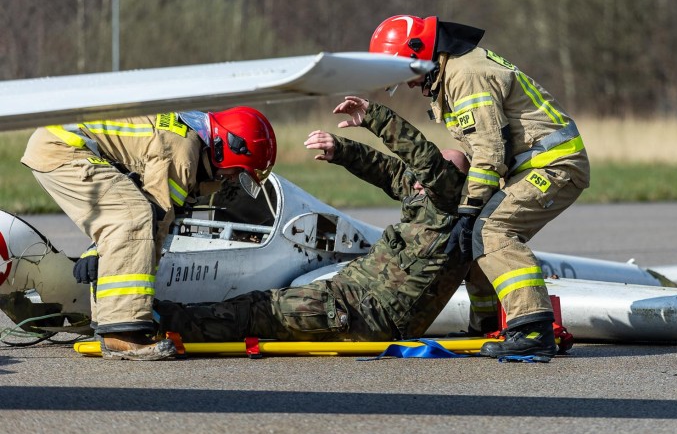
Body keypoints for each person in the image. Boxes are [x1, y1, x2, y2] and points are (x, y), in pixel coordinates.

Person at [153, 96, 471, 345]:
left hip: (362, 312)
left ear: (446, 181)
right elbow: (389, 171)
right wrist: (340, 149)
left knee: (256, 311)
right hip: (352, 295)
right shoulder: (428, 197)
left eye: (426, 176)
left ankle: (159, 322)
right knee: (256, 306)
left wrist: (376, 116)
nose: (415, 180)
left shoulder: (445, 202)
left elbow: (425, 161)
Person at [369, 15, 590, 362]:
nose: (408, 84)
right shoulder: (453, 72)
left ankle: (533, 330)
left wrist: (470, 209)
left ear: (420, 52)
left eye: (405, 72)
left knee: (492, 231)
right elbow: (482, 149)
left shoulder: (465, 74)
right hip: (527, 165)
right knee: (469, 234)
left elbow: (490, 152)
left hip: (555, 165)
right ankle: (487, 324)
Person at [21, 107, 277, 360]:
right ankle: (121, 333)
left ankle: (110, 324)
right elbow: (155, 221)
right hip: (62, 147)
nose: (233, 180)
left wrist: (101, 250)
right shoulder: (182, 152)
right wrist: (139, 305)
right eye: (238, 172)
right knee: (134, 215)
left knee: (132, 216)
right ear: (227, 147)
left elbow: (131, 211)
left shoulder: (189, 142)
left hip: (62, 143)